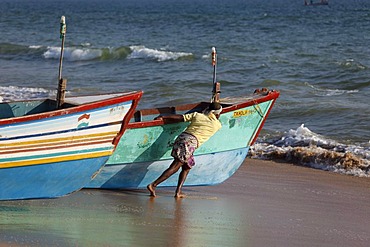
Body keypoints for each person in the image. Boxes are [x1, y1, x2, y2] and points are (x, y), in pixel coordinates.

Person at [147, 101, 223, 198]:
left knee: (187, 166)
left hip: (182, 139)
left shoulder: (197, 115)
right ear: (217, 114)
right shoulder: (217, 125)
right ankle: (153, 185)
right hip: (190, 143)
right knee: (175, 166)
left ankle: (178, 192)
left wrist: (164, 117)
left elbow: (181, 118)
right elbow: (214, 119)